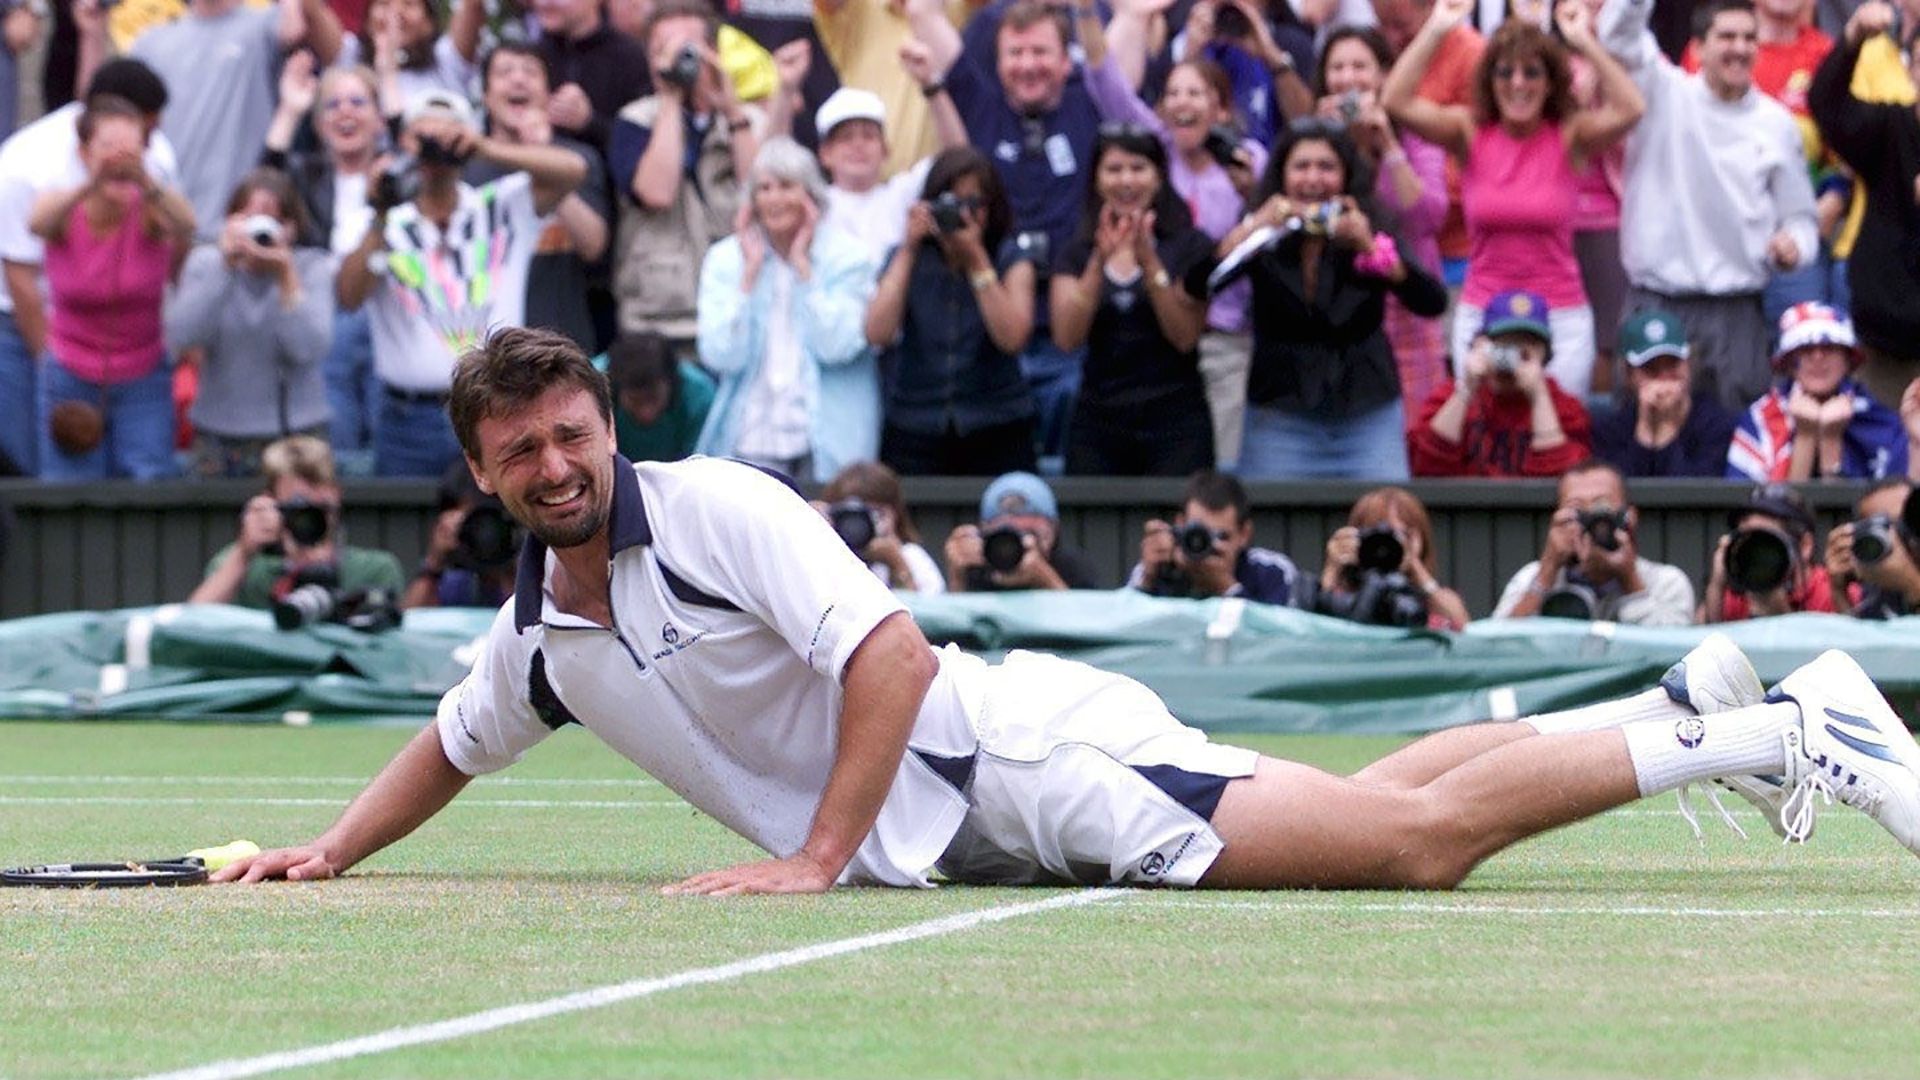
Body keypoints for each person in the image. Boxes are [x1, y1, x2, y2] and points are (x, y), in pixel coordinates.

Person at [215, 326, 1920, 893]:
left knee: (1408, 849)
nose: (554, 465)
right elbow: (448, 747)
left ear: (606, 427)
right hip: (991, 802)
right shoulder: (534, 639)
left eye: (572, 433)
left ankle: (1773, 724)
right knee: (1385, 807)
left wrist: (816, 861)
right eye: (521, 451)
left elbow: (885, 653)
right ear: (484, 471)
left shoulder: (719, 507)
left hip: (1012, 765)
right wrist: (322, 858)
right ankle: (1707, 708)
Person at [1385, 0, 1643, 397]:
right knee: (1484, 438)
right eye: (1505, 72)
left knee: (1555, 440)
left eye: (1532, 72)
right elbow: (1396, 101)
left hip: (1560, 315)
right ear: (1489, 80)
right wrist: (1436, 28)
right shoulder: (1470, 131)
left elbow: (1631, 107)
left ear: (1551, 81)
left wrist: (1583, 41)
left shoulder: (1569, 135)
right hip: (1483, 312)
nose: (1518, 83)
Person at [336, 88, 587, 478]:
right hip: (408, 417)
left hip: (498, 404)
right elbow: (348, 297)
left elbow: (573, 170)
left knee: (501, 529)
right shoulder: (378, 221)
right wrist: (381, 215)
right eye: (425, 136)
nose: (437, 149)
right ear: (405, 141)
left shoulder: (500, 204)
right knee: (407, 531)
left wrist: (485, 148)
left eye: (449, 135)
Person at [903, 0, 1103, 467]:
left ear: (1064, 58)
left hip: (1066, 338)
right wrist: (931, 82)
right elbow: (922, 12)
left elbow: (1118, 61)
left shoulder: (1091, 101)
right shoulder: (980, 102)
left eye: (1039, 52)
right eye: (1015, 53)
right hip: (989, 341)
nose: (1027, 65)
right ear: (997, 60)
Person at [1597, 0, 1819, 410]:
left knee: (1735, 454)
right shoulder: (1662, 91)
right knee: (1642, 445)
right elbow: (1616, 32)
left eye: (1749, 38)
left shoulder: (1776, 123)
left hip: (1735, 315)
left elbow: (1802, 220)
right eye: (1727, 37)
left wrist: (1794, 244)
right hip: (1656, 302)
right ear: (1698, 48)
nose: (1740, 48)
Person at [1075, 7, 1267, 470]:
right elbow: (1106, 80)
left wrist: (1252, 196)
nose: (1182, 102)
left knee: (1215, 470)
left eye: (1196, 93)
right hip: (1157, 334)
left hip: (1224, 334)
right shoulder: (1154, 149)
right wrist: (1084, 11)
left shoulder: (1250, 160)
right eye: (1173, 93)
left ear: (1220, 108)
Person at [1221, 119, 1450, 480]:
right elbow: (1208, 281)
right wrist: (1255, 229)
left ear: (1345, 176)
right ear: (1282, 176)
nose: (1313, 179)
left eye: (1326, 167)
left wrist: (1368, 247)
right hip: (1280, 413)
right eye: (1301, 167)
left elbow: (1431, 301)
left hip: (1366, 410)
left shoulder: (1370, 221)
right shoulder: (1264, 227)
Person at [0, 58, 175, 480]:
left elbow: (180, 235)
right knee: (41, 463)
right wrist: (50, 360)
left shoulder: (157, 157)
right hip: (28, 328)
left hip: (135, 352)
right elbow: (18, 272)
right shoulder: (28, 161)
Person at [29, 96, 195, 481]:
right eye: (108, 148)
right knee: (68, 484)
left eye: (131, 149)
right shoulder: (64, 206)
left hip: (143, 375)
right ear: (84, 153)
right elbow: (36, 223)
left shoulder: (151, 209)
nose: (120, 159)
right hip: (70, 373)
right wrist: (92, 181)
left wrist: (146, 181)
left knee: (149, 478)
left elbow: (188, 223)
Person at [693, 136, 877, 483]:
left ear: (811, 197)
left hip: (827, 441)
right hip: (750, 434)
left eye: (786, 186)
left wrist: (804, 270)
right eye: (764, 188)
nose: (774, 198)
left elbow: (836, 346)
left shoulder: (848, 257)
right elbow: (720, 354)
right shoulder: (726, 259)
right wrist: (748, 278)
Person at [1050, 126, 1216, 476]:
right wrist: (1098, 262)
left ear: (1158, 177)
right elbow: (1067, 337)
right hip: (1099, 421)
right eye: (1114, 169)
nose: (1126, 180)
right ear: (1096, 179)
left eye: (1138, 168)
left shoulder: (1191, 246)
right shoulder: (1076, 252)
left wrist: (1150, 263)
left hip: (1177, 420)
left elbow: (1185, 336)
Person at [865, 146, 1039, 478]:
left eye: (973, 204)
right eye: (950, 203)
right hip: (915, 423)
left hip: (997, 423)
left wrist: (976, 258)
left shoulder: (1009, 257)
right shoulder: (906, 257)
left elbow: (1013, 338)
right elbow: (877, 332)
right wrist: (908, 249)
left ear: (991, 207)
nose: (961, 214)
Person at [609, 0, 764, 353]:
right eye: (663, 49)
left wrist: (732, 109)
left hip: (739, 306)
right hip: (660, 319)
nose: (678, 59)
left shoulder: (746, 120)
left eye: (688, 47)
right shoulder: (635, 120)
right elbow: (657, 192)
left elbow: (762, 196)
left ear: (714, 52)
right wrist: (671, 98)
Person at [1316, 26, 1451, 420]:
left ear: (1384, 74)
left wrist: (1387, 143)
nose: (1348, 78)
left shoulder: (1415, 136)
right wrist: (1334, 142)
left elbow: (1427, 217)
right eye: (1337, 67)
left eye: (1360, 66)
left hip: (1407, 301)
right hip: (1343, 310)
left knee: (1415, 427)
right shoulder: (1315, 140)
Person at [122, 0, 344, 239]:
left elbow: (331, 51)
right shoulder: (150, 43)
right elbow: (94, 120)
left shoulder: (265, 25)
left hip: (243, 229)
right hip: (167, 230)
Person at [165, 168, 335, 479]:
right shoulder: (207, 264)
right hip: (218, 434)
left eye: (272, 219)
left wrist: (286, 277)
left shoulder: (311, 267)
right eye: (248, 216)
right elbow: (183, 334)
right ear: (230, 220)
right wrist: (225, 266)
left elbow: (308, 348)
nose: (259, 229)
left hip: (295, 432)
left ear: (292, 228)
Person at [261, 57, 384, 468]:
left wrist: (386, 66)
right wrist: (290, 109)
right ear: (318, 124)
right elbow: (264, 188)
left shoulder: (397, 174)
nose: (345, 111)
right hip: (325, 322)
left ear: (380, 119)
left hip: (388, 320)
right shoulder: (305, 174)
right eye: (332, 105)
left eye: (358, 102)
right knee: (340, 449)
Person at [1808, 1, 1920, 409]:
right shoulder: (1889, 127)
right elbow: (1825, 103)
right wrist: (1853, 38)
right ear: (1911, 73)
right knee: (1882, 456)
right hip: (1886, 338)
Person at [466, 42, 611, 355]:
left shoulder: (578, 158)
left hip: (562, 347)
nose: (518, 80)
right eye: (505, 72)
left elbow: (593, 244)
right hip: (487, 349)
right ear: (486, 95)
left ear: (548, 94)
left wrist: (543, 160)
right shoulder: (468, 168)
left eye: (531, 72)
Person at [187, 434, 405, 608]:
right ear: (271, 502)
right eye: (296, 508)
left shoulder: (374, 570)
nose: (308, 519)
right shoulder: (246, 568)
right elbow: (193, 625)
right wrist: (243, 555)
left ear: (337, 497)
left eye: (320, 509)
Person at [1409, 288, 1592, 477]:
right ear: (1481, 345)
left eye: (1524, 351)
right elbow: (1426, 466)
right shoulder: (1448, 396)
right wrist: (1467, 390)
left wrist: (1539, 397)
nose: (1511, 358)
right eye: (1503, 345)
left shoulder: (1564, 407)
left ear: (1544, 356)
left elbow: (1564, 480)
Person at [1492, 457, 1695, 623]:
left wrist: (1629, 580)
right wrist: (1547, 573)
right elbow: (1497, 651)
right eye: (1576, 509)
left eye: (1602, 508)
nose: (1590, 521)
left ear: (1629, 517)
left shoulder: (1667, 582)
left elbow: (1673, 659)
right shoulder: (1531, 578)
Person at [1726, 301, 1906, 482]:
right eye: (1805, 349)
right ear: (1787, 361)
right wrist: (1805, 436)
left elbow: (1893, 504)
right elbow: (1753, 506)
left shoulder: (1882, 421)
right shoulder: (1760, 419)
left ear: (1848, 359)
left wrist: (1831, 440)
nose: (1818, 357)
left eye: (1829, 347)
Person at [1591, 309, 1739, 477]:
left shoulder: (1718, 425)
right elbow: (1618, 493)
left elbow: (1697, 497)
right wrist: (1645, 431)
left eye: (1672, 364)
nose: (1663, 377)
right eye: (1650, 368)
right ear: (1628, 375)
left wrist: (1666, 431)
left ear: (1688, 364)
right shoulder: (1611, 430)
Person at [1128, 468, 1304, 605]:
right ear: (1180, 524)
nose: (1208, 547)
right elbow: (1125, 631)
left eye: (1221, 536)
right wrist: (1146, 582)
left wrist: (1228, 588)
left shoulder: (1272, 572)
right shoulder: (1158, 568)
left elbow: (1281, 641)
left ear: (1244, 534)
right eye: (1198, 534)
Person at [1318, 485, 1471, 628]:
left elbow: (1463, 628)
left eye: (1402, 534)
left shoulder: (1434, 599)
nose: (1385, 547)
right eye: (1377, 535)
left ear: (1421, 539)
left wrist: (1414, 565)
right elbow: (1317, 628)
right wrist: (1333, 569)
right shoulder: (1343, 596)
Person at [810, 87, 932, 267]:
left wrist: (933, 88)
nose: (858, 145)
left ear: (885, 149)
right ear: (825, 154)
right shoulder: (813, 203)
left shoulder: (901, 193)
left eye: (868, 136)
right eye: (846, 137)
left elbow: (958, 158)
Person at [944, 469, 1102, 591]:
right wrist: (957, 579)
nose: (1019, 543)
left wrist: (1047, 580)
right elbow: (953, 631)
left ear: (1053, 530)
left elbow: (1089, 627)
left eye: (1030, 533)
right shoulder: (976, 570)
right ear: (984, 531)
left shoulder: (1072, 568)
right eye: (1008, 533)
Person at [532, 0, 655, 154]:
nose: (545, 3)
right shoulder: (534, 55)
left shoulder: (630, 58)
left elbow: (644, 143)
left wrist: (589, 122)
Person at [1700, 483, 1835, 622]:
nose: (1756, 552)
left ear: (1804, 546)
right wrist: (1716, 586)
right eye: (1748, 539)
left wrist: (1778, 612)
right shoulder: (1739, 593)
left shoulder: (1829, 594)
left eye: (1765, 540)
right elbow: (1706, 636)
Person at [817, 460, 945, 593]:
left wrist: (898, 565)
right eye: (853, 516)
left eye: (877, 514)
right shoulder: (824, 558)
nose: (861, 526)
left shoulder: (911, 556)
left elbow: (929, 609)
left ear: (895, 514)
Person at [402, 462, 517, 610]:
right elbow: (410, 619)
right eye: (474, 521)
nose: (484, 534)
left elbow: (531, 624)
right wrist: (434, 563)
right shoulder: (453, 581)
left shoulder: (533, 563)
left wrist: (508, 568)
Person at [341, 0, 483, 116]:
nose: (395, 14)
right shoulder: (350, 54)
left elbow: (473, 6)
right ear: (367, 20)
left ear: (429, 22)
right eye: (384, 3)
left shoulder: (446, 58)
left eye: (409, 3)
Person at [601, 331, 715, 463]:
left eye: (653, 399)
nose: (646, 413)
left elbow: (702, 464)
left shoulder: (700, 396)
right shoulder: (591, 390)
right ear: (614, 392)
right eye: (635, 401)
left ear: (672, 384)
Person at [1825, 477, 1920, 617]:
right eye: (1880, 526)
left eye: (1900, 523)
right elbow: (1860, 637)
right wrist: (1839, 591)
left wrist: (1912, 585)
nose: (1893, 536)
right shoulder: (1875, 589)